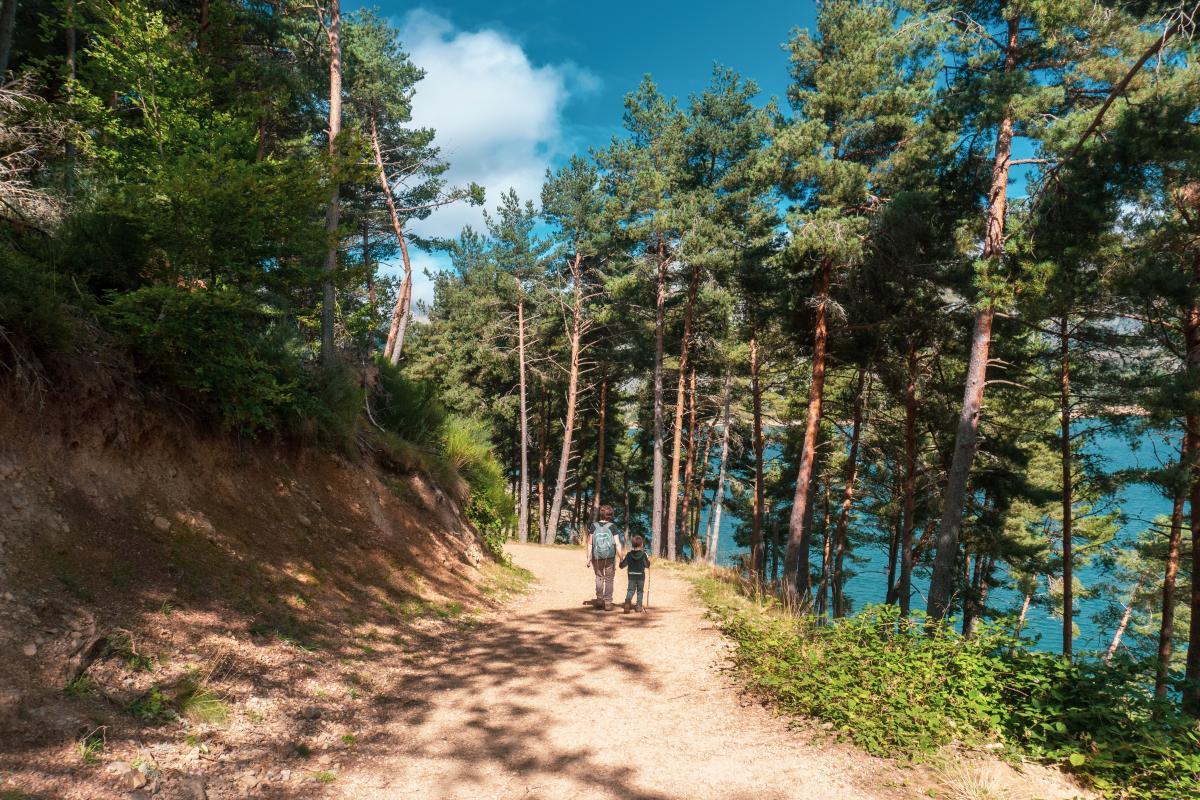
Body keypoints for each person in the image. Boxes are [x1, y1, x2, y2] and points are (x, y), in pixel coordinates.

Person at [584, 504, 623, 611]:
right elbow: (618, 544)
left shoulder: (593, 526)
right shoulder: (613, 527)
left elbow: (590, 543)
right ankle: (608, 602)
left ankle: (600, 600)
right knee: (609, 579)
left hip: (596, 557)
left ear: (601, 514)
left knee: (599, 577)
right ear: (610, 516)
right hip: (609, 557)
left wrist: (588, 557)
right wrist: (621, 557)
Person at [619, 534, 651, 613]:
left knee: (630, 590)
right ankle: (639, 606)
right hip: (640, 577)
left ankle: (627, 603)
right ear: (641, 544)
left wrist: (621, 561)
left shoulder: (629, 554)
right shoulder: (643, 555)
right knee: (640, 591)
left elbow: (622, 566)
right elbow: (647, 565)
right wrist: (647, 558)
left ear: (632, 544)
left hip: (631, 576)